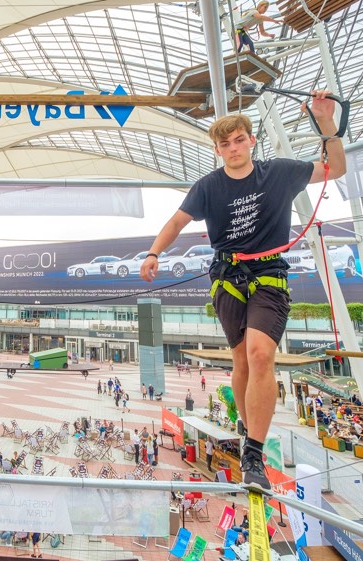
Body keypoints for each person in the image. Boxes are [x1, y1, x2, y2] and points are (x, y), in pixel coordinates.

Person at [139, 97, 346, 489]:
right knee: (241, 361)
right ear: (217, 150)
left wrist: (326, 123)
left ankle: (253, 452)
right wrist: (154, 253)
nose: (233, 149)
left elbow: (335, 167)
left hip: (268, 274)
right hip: (227, 276)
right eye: (225, 144)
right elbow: (177, 221)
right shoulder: (208, 187)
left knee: (260, 354)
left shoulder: (279, 173)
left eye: (238, 140)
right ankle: (248, 429)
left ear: (251, 140)